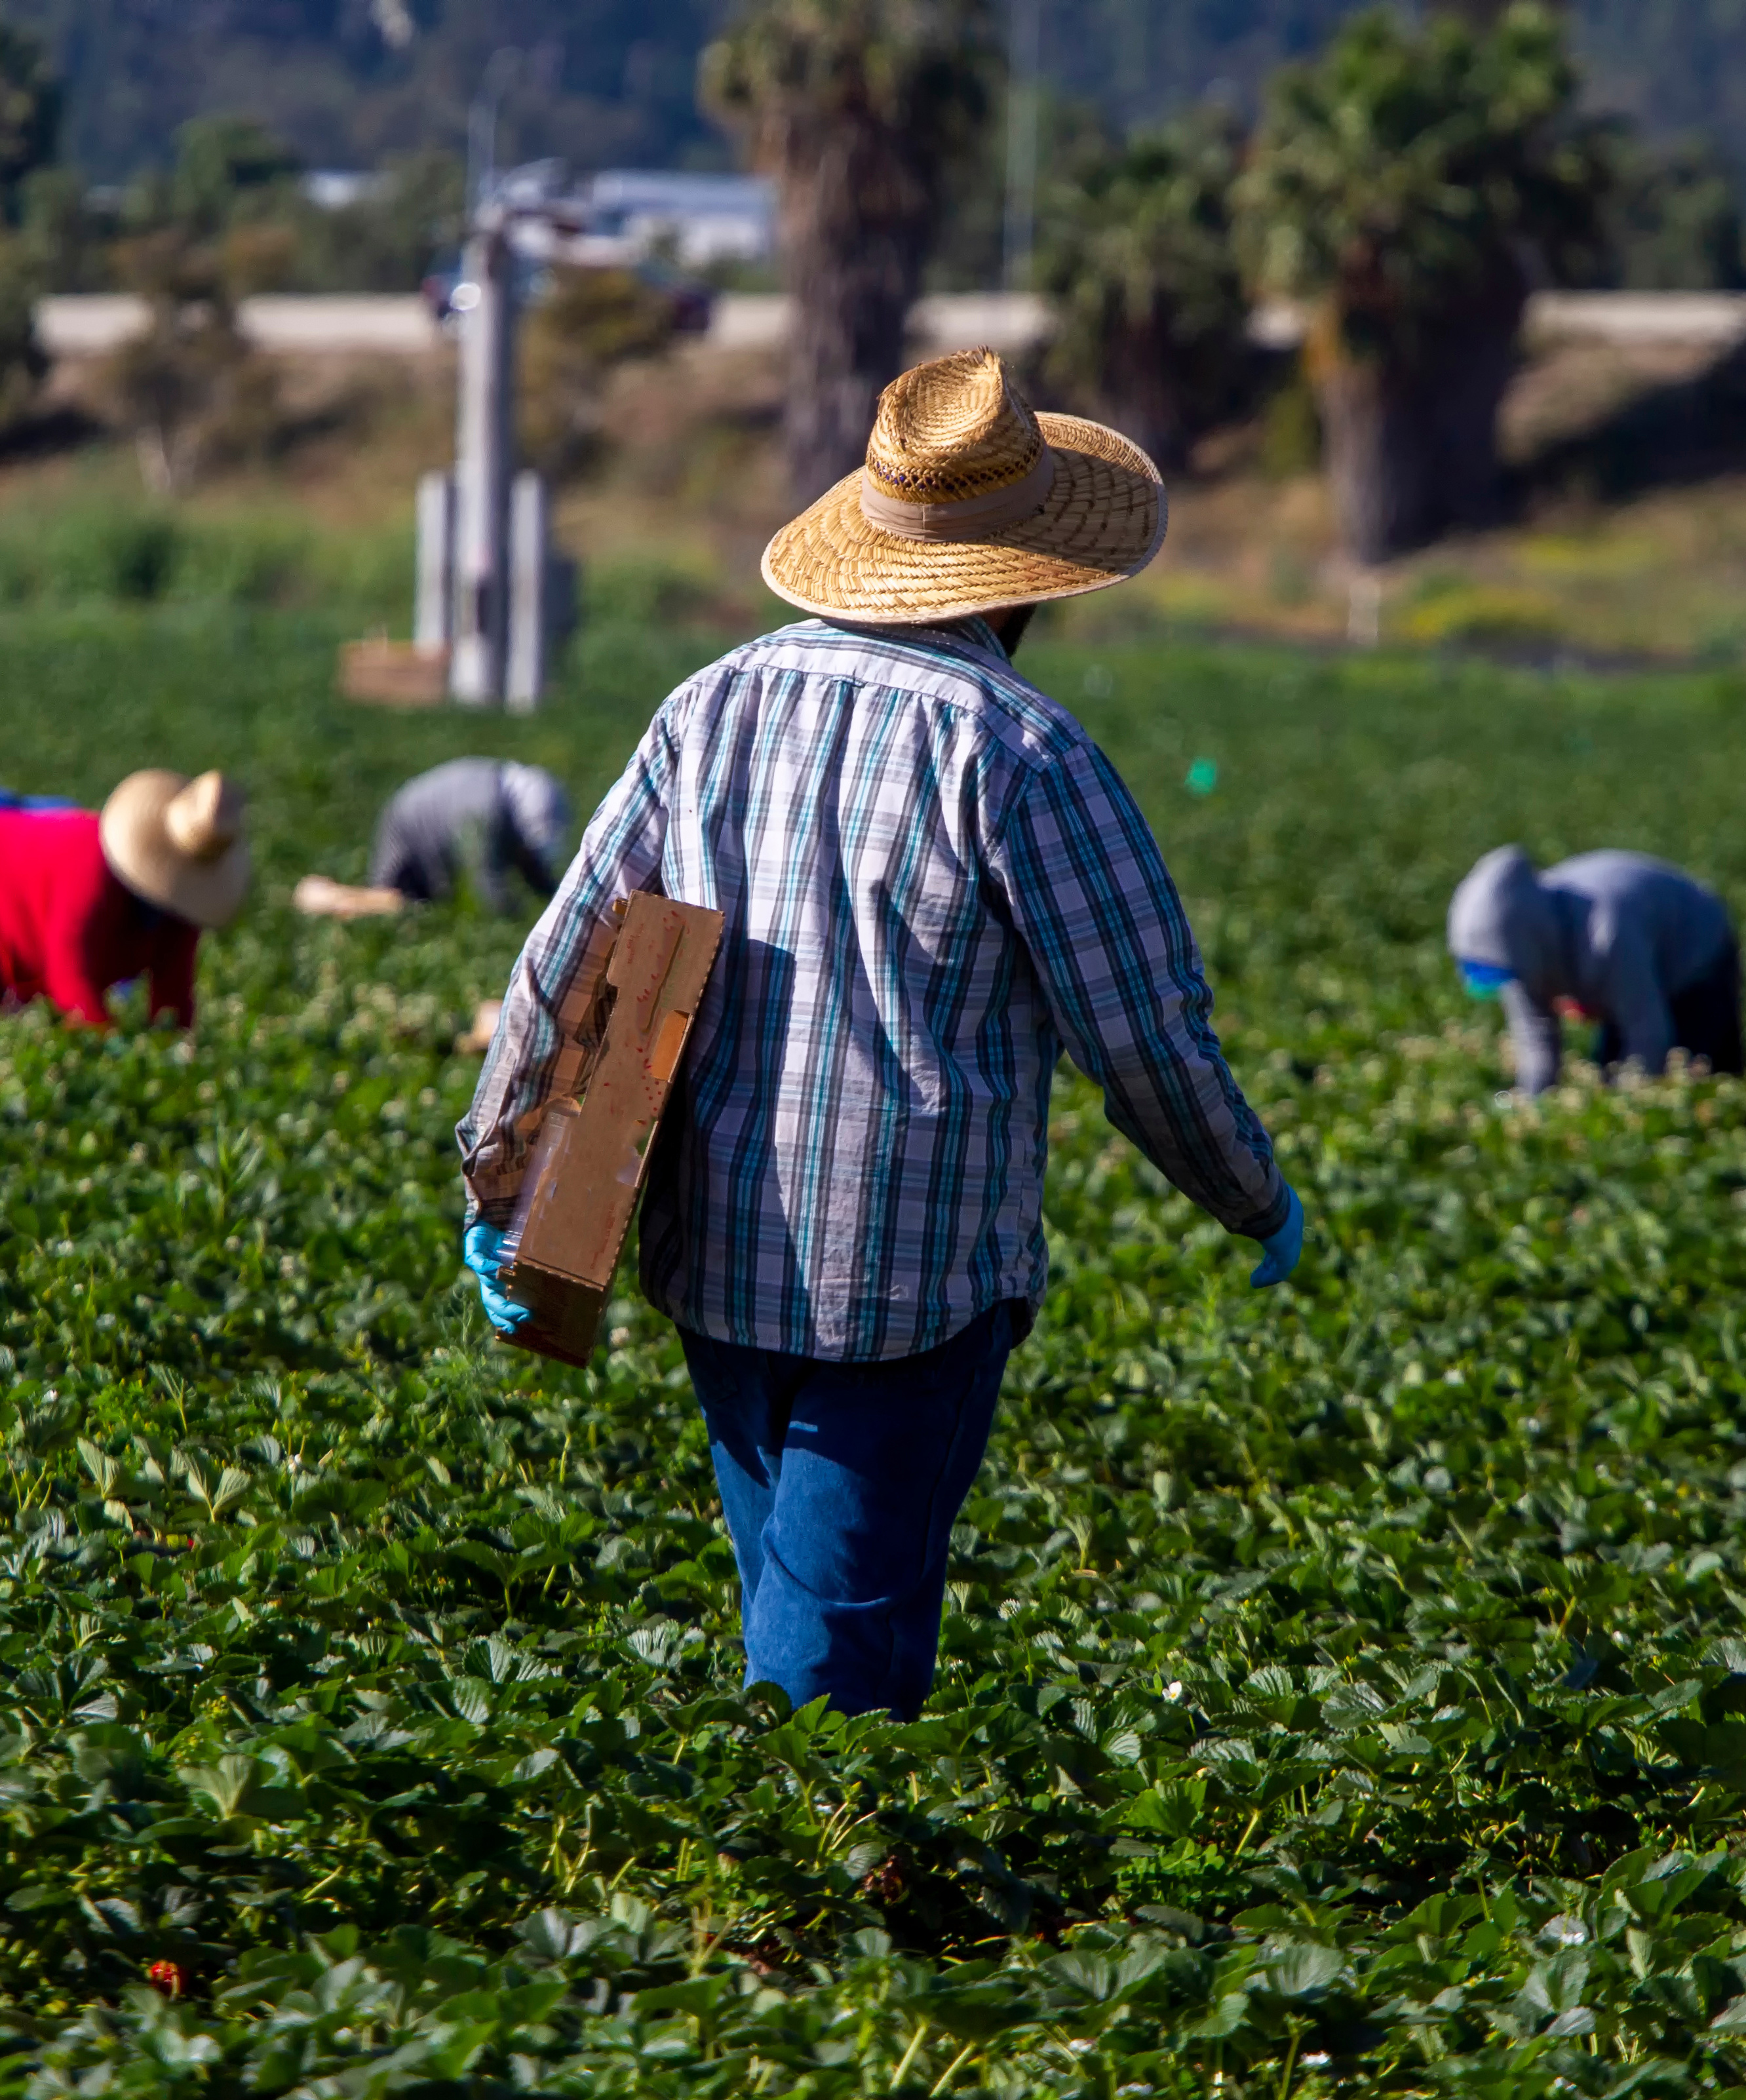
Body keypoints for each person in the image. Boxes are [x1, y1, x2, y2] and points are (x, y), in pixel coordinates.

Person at [457, 349, 1302, 1719]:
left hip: (715, 1258)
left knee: (789, 1611)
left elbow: (563, 965)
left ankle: (791, 1889)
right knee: (830, 1668)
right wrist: (1251, 1196)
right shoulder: (1019, 754)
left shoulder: (711, 704)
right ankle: (805, 1910)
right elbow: (1143, 1035)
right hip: (909, 1294)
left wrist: (500, 1183)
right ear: (1030, 576)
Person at [1448, 845, 1745, 1097]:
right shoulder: (1518, 958)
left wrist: (1629, 1105)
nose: (1505, 985)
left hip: (1697, 954)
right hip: (1630, 969)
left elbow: (1647, 1031)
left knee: (1700, 1074)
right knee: (1610, 1072)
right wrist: (1531, 1100)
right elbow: (1535, 1035)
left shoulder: (1607, 933)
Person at [0, 770, 250, 1028]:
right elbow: (70, 977)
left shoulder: (181, 907)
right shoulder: (91, 865)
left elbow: (173, 992)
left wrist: (176, 1049)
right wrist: (110, 1040)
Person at [366, 758, 569, 911]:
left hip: (438, 820)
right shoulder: (486, 812)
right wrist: (512, 915)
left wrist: (558, 902)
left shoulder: (518, 805)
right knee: (395, 901)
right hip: (409, 822)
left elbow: (533, 866)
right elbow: (482, 880)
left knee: (427, 905)